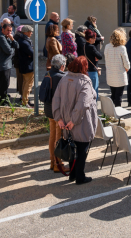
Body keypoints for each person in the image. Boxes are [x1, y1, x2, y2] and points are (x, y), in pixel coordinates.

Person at [53, 56, 99, 185]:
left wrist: (59, 119)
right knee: (82, 150)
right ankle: (80, 177)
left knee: (71, 148)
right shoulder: (85, 81)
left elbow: (56, 99)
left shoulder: (64, 78)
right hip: (81, 122)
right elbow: (83, 104)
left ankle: (72, 174)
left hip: (66, 121)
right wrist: (73, 120)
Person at [44, 54, 67, 172]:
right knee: (59, 138)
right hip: (57, 111)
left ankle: (52, 162)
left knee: (52, 136)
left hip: (48, 110)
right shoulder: (61, 77)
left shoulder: (47, 74)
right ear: (62, 66)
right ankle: (58, 164)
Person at [0, 22, 19, 104]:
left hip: (7, 64)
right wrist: (13, 49)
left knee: (6, 83)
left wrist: (12, 39)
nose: (9, 32)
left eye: (10, 31)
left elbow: (17, 46)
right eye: (7, 30)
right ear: (2, 30)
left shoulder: (8, 37)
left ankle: (4, 98)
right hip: (2, 65)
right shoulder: (1, 38)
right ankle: (2, 101)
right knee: (4, 84)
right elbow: (9, 51)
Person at [104, 28, 130, 106]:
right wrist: (127, 68)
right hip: (120, 75)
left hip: (110, 74)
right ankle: (117, 115)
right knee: (119, 96)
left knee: (113, 95)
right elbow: (126, 63)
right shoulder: (122, 48)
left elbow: (106, 60)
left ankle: (111, 113)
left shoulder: (107, 46)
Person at [82, 29, 103, 99]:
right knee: (94, 90)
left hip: (86, 70)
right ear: (90, 39)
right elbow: (100, 56)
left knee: (87, 90)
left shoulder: (84, 46)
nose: (95, 39)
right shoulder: (92, 47)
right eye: (94, 38)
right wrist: (96, 56)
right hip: (92, 71)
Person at [18, 25, 35, 106]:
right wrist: (31, 53)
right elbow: (32, 53)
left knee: (25, 83)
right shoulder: (24, 42)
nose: (31, 33)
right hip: (27, 66)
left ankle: (25, 100)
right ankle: (25, 102)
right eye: (30, 32)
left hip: (24, 65)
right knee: (28, 85)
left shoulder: (22, 40)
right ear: (25, 32)